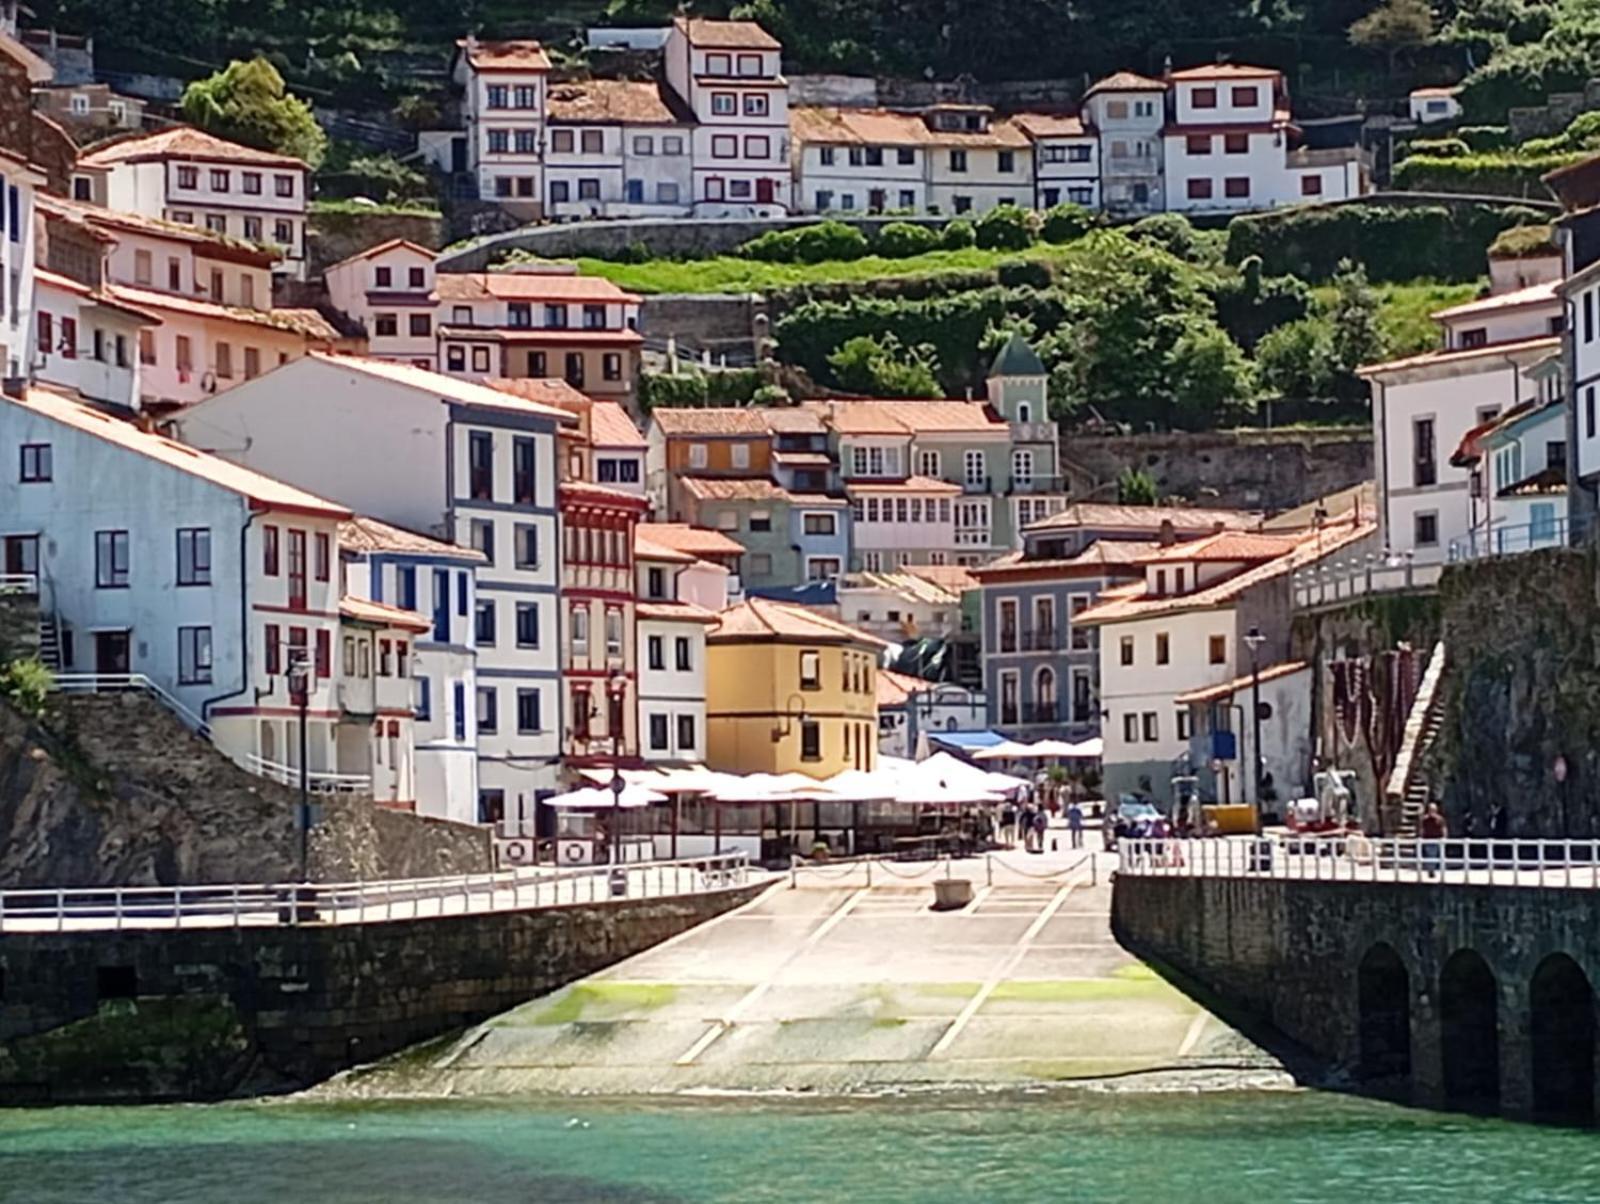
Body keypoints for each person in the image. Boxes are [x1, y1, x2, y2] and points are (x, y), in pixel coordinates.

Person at [1419, 803, 1447, 877]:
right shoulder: (1425, 819)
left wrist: (1444, 837)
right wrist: (1421, 838)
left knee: (1434, 855)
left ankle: (1432, 870)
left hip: (1437, 840)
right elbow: (1422, 829)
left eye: (1433, 810)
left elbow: (1443, 829)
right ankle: (1431, 870)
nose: (1432, 811)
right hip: (1428, 840)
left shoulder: (1440, 819)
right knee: (1430, 855)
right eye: (1431, 810)